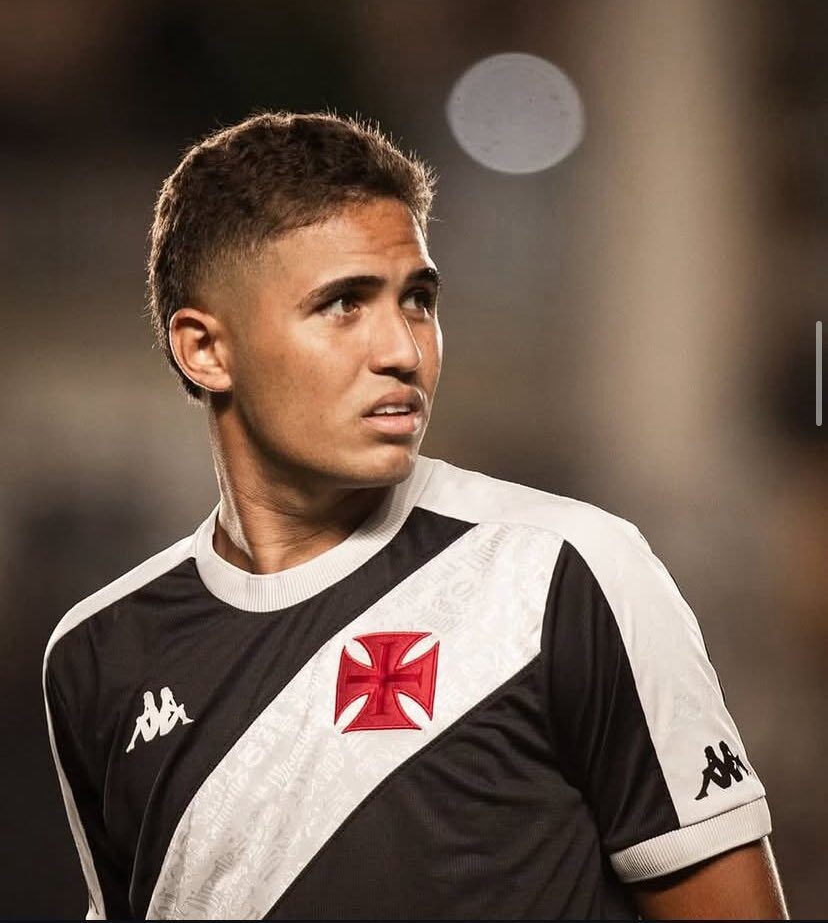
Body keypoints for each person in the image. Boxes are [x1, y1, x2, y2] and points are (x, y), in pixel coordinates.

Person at [43, 111, 788, 920]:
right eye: (343, 304)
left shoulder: (566, 574)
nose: (403, 350)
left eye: (418, 300)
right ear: (206, 350)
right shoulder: (96, 654)